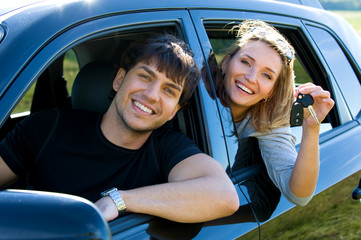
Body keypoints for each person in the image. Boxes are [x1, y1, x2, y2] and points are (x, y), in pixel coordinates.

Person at [0, 34, 239, 222]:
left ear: (174, 112)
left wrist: (119, 200)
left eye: (169, 90)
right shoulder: (46, 127)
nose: (152, 95)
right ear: (118, 79)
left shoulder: (166, 148)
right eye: (145, 77)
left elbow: (224, 196)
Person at [207, 20, 334, 206]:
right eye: (245, 62)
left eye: (266, 75)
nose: (251, 78)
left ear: (272, 91)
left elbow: (300, 196)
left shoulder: (267, 123)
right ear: (226, 62)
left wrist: (312, 128)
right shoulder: (192, 90)